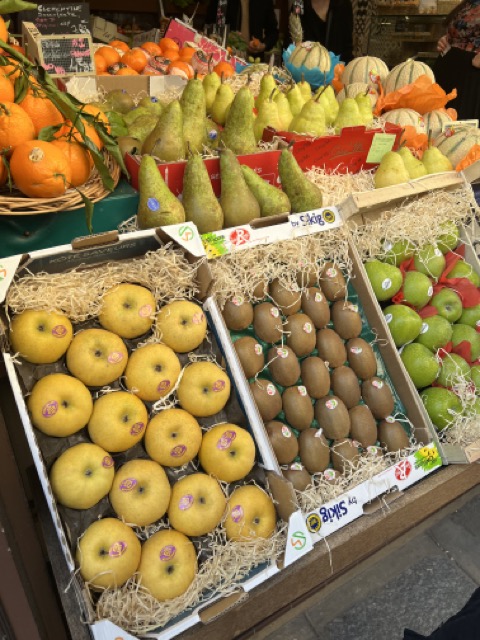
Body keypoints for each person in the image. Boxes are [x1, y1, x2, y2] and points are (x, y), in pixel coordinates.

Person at [434, 0, 480, 120]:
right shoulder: (470, 3)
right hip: (451, 73)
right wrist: (448, 39)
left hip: (470, 80)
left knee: (461, 133)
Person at [205, 0, 279, 56]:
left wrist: (263, 46)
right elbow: (208, 25)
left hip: (253, 62)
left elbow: (273, 31)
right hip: (224, 57)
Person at [289, 0, 354, 63]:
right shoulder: (299, 4)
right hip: (304, 71)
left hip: (337, 70)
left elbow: (347, 49)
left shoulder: (343, 5)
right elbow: (290, 46)